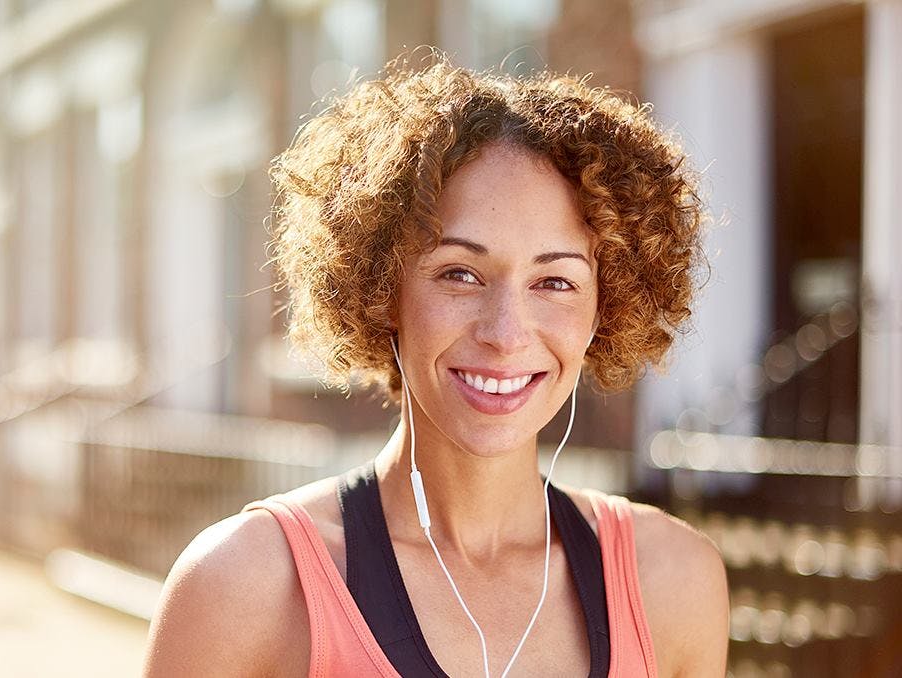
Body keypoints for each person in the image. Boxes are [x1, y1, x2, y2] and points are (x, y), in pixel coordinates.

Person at [142, 53, 729, 678]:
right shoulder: (245, 586)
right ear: (383, 289)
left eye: (555, 281)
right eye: (459, 273)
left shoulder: (673, 582)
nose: (505, 333)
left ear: (604, 307)